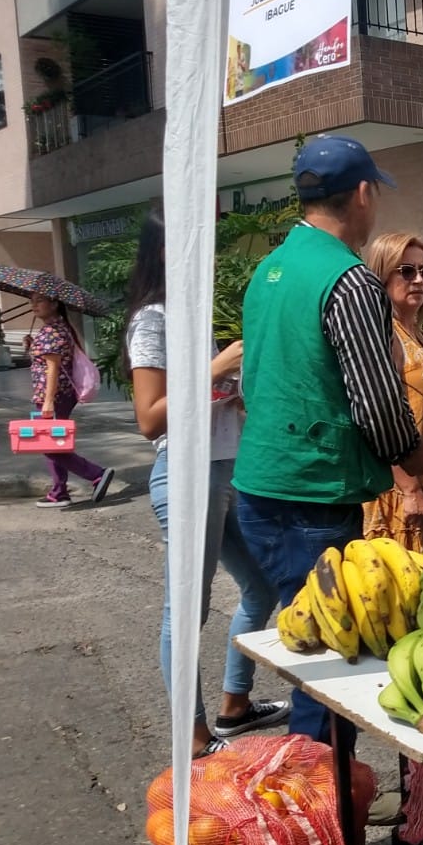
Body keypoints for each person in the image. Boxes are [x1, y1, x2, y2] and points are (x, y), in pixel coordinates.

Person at [234, 135, 423, 744]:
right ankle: (320, 806)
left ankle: (318, 790)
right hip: (313, 497)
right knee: (330, 664)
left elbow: (258, 377)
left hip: (260, 483)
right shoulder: (349, 281)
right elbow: (376, 400)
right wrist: (412, 455)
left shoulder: (270, 269)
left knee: (307, 644)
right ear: (362, 193)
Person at [122, 206, 288, 759]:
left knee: (261, 587)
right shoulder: (153, 319)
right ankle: (193, 741)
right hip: (186, 475)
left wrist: (232, 391)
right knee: (185, 611)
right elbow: (150, 418)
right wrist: (214, 371)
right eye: (197, 244)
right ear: (168, 252)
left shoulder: (194, 316)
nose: (209, 257)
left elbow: (208, 406)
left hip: (227, 472)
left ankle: (234, 705)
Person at [360, 233, 423, 550]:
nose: (420, 280)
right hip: (404, 492)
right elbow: (375, 415)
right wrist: (409, 490)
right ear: (382, 274)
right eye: (407, 271)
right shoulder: (383, 333)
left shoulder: (414, 331)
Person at [27, 290, 115, 508]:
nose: (34, 305)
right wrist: (31, 345)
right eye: (32, 301)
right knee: (53, 442)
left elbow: (53, 369)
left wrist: (48, 402)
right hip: (58, 396)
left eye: (40, 300)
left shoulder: (52, 332)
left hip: (53, 396)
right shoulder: (55, 328)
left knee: (49, 444)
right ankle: (59, 492)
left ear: (55, 303)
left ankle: (96, 474)